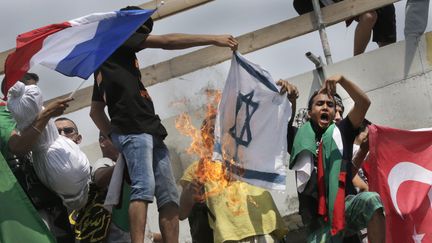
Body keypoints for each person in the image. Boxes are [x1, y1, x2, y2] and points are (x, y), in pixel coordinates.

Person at [89, 6, 238, 243]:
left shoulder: (113, 62)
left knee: (168, 195)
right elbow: (167, 41)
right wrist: (213, 38)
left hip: (150, 128)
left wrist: (114, 136)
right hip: (134, 128)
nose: (144, 36)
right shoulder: (118, 42)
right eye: (142, 29)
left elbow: (95, 111)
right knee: (143, 189)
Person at [288, 75, 385, 243]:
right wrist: (290, 100)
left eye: (330, 105)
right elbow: (283, 123)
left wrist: (342, 80)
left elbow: (363, 103)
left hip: (344, 209)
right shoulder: (298, 138)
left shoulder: (341, 132)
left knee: (371, 200)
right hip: (317, 223)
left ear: (334, 113)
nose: (325, 107)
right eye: (319, 104)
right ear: (310, 113)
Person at [179, 115, 288, 243]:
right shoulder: (197, 168)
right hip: (230, 236)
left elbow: (276, 128)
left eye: (220, 129)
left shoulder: (249, 157)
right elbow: (182, 213)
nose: (216, 134)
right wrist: (190, 191)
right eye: (211, 130)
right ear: (204, 138)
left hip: (265, 229)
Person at [1, 83, 76, 242]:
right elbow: (18, 146)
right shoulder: (2, 114)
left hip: (42, 201)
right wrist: (47, 113)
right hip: (29, 205)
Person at [292, 0, 396, 56]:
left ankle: (386, 54)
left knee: (372, 15)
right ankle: (358, 59)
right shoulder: (302, 3)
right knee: (369, 16)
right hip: (327, 6)